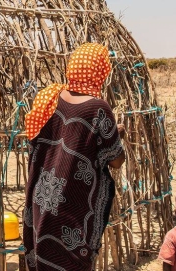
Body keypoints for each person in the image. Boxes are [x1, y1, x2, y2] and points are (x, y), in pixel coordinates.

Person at [22, 43, 125, 271]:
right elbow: (116, 160)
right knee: (70, 261)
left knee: (44, 255)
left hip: (43, 197)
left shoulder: (50, 98)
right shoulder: (99, 109)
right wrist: (117, 134)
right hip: (72, 204)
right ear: (100, 71)